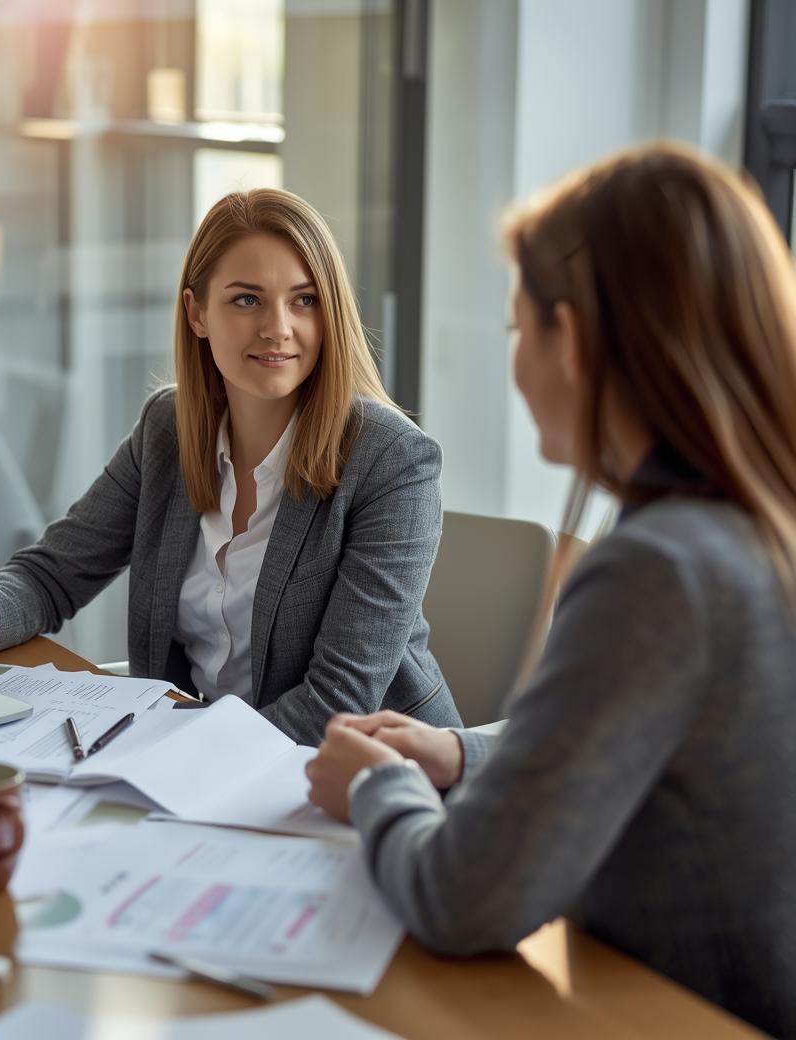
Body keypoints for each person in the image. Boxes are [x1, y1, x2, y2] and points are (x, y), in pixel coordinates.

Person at [304, 144, 796, 1036]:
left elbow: (464, 896)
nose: (517, 361)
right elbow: (647, 739)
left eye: (517, 329)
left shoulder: (657, 571)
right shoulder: (753, 525)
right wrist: (463, 755)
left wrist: (378, 788)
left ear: (571, 340)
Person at [0, 187, 460, 745]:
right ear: (197, 312)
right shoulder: (169, 427)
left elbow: (337, 702)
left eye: (303, 299)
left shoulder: (391, 461)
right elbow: (55, 572)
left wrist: (171, 755)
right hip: (199, 756)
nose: (278, 327)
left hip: (367, 774)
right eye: (247, 299)